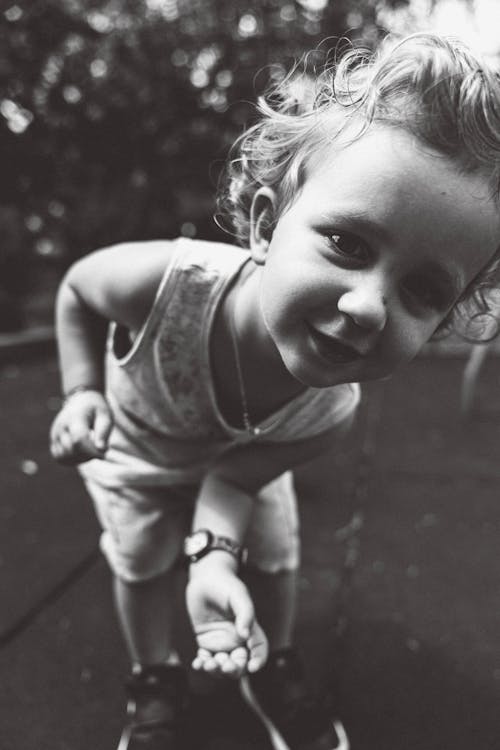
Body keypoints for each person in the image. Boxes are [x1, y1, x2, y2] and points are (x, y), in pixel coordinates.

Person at [50, 31, 500, 750]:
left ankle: (274, 660)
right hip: (137, 452)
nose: (366, 308)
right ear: (265, 223)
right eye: (348, 245)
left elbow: (233, 479)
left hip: (238, 455)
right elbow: (77, 290)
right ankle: (154, 678)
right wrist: (80, 393)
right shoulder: (166, 281)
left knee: (277, 554)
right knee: (138, 563)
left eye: (421, 291)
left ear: (444, 319)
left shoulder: (329, 407)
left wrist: (213, 559)